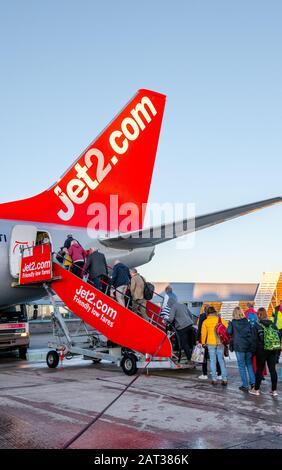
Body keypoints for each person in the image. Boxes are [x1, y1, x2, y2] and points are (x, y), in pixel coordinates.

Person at [249, 307, 280, 397]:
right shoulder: (273, 325)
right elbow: (278, 337)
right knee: (272, 370)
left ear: (258, 315)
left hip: (261, 350)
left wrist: (253, 353)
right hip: (273, 350)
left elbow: (254, 340)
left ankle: (256, 389)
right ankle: (274, 391)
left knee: (259, 369)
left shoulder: (257, 325)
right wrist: (276, 350)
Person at [227, 307, 256, 392]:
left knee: (241, 366)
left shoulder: (233, 323)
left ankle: (245, 385)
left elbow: (228, 332)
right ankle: (253, 383)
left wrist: (229, 325)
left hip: (239, 347)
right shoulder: (247, 321)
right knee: (249, 365)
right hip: (248, 346)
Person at [201, 306, 228, 385]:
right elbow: (227, 329)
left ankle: (214, 379)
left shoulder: (205, 321)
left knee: (213, 361)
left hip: (210, 343)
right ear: (215, 312)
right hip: (220, 342)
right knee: (221, 360)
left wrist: (203, 342)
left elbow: (203, 334)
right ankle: (224, 379)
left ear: (208, 313)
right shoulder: (221, 320)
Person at [197, 305, 222, 380]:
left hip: (206, 339)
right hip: (216, 339)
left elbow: (200, 328)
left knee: (204, 357)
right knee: (216, 356)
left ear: (205, 310)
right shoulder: (217, 316)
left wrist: (197, 339)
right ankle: (218, 373)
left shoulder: (202, 316)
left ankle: (204, 374)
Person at [271, 300, 282, 364]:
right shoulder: (275, 309)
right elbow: (272, 318)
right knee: (277, 345)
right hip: (277, 329)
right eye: (281, 303)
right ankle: (276, 358)